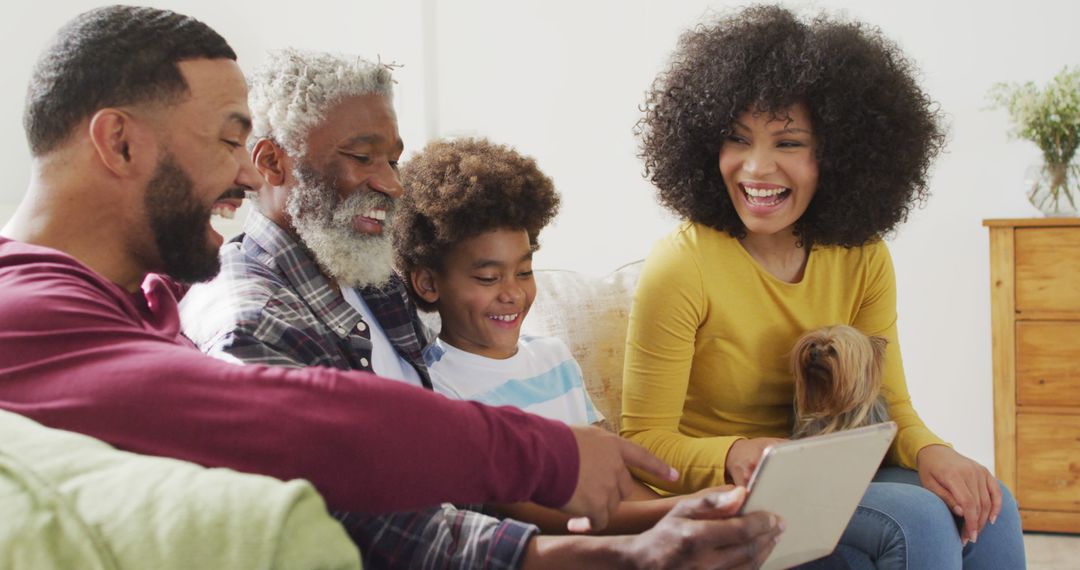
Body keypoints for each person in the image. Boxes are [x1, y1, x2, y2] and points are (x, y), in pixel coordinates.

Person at [0, 4, 675, 534]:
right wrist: (547, 455)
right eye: (230, 139)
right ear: (119, 142)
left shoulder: (154, 297)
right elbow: (295, 425)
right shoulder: (24, 315)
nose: (242, 172)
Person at [180, 51, 781, 568]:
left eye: (393, 158)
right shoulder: (252, 322)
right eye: (363, 158)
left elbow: (456, 465)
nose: (392, 184)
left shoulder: (375, 273)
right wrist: (624, 553)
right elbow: (381, 528)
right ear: (272, 163)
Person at [622, 6, 1026, 569]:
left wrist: (936, 450)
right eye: (738, 139)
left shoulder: (862, 255)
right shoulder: (681, 265)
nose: (756, 168)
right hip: (725, 495)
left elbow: (892, 405)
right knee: (921, 523)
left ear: (837, 156)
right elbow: (642, 442)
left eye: (788, 143)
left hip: (828, 473)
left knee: (992, 505)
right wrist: (737, 452)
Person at [396, 137, 731, 536]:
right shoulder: (438, 388)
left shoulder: (554, 358)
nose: (512, 293)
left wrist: (686, 521)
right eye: (488, 277)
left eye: (524, 271)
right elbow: (533, 513)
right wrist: (686, 510)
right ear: (429, 283)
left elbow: (614, 479)